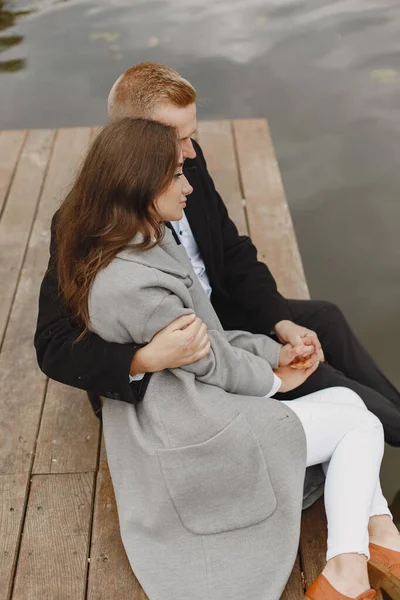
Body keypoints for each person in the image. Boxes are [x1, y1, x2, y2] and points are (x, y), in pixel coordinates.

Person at [53, 116, 400, 600]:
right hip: (193, 428)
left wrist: (274, 349)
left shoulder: (140, 242)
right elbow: (210, 361)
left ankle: (380, 540)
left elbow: (212, 338)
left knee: (346, 398)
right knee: (361, 425)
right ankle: (350, 569)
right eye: (176, 174)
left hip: (195, 404)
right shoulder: (135, 282)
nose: (188, 184)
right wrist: (276, 380)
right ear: (140, 183)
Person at [34, 62, 400, 446]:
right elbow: (54, 344)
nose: (191, 152)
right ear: (134, 144)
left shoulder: (185, 164)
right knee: (322, 378)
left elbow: (231, 249)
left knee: (325, 319)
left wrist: (279, 320)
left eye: (192, 136)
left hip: (217, 317)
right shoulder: (82, 222)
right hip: (171, 369)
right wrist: (141, 360)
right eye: (179, 140)